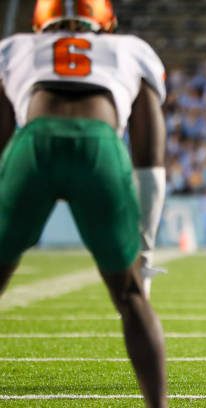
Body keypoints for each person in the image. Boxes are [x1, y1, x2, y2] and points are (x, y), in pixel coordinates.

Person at [0, 1, 167, 406]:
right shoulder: (131, 48)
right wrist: (143, 249)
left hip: (33, 144)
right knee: (129, 296)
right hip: (100, 146)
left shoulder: (15, 46)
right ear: (105, 21)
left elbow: (3, 136)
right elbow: (149, 157)